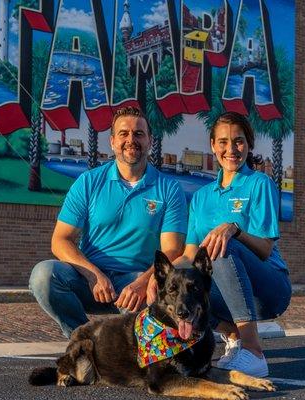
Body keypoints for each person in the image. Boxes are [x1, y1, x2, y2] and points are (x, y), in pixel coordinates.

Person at [29, 106, 187, 338]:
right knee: (43, 275)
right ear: (112, 141)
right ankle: (84, 342)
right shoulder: (88, 182)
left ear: (150, 141)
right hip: (90, 281)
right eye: (123, 134)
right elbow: (60, 240)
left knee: (141, 348)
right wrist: (93, 275)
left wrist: (143, 283)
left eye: (138, 134)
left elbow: (172, 249)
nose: (131, 140)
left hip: (137, 283)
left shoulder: (169, 188)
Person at [173, 111, 291, 378]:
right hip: (229, 290)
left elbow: (265, 249)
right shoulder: (201, 197)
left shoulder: (259, 184)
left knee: (221, 245)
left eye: (238, 141)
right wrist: (158, 277)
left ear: (248, 145)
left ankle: (254, 351)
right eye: (223, 142)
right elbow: (190, 254)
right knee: (180, 279)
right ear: (213, 145)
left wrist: (234, 230)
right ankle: (234, 337)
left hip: (269, 289)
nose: (231, 149)